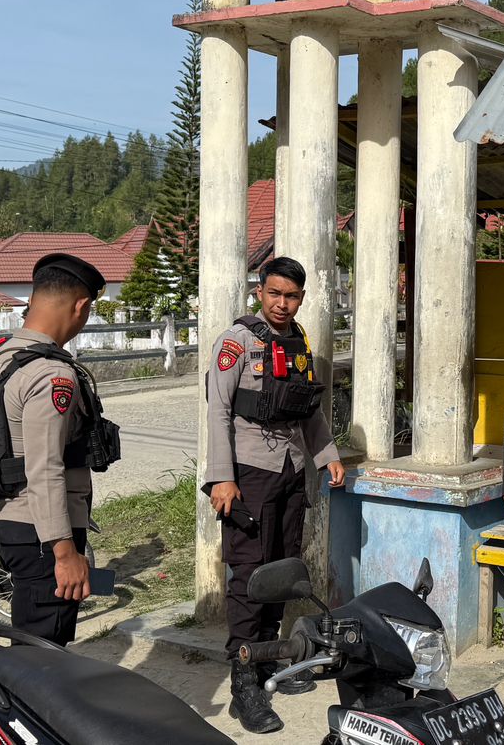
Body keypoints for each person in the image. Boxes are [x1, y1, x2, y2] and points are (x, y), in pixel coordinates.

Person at [204, 256, 345, 736]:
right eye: (275, 294)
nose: (283, 304)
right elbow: (218, 410)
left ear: (301, 298)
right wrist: (221, 477)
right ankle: (244, 682)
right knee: (249, 574)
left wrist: (326, 455)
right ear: (259, 292)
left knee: (282, 571)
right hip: (248, 473)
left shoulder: (298, 339)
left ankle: (268, 661)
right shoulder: (236, 342)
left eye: (292, 296)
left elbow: (308, 409)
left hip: (290, 469)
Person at [0, 254, 112, 648]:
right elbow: (45, 467)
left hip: (5, 518)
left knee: (31, 648)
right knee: (42, 657)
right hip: (41, 533)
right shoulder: (52, 373)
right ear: (81, 306)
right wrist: (64, 551)